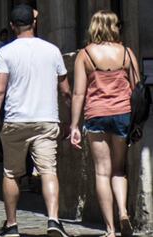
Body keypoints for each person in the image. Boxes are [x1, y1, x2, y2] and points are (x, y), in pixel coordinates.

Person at [0, 5, 71, 236]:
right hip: (46, 119)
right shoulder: (52, 50)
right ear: (34, 23)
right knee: (48, 171)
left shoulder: (5, 52)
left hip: (16, 120)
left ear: (12, 26)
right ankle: (53, 219)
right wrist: (71, 120)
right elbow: (65, 90)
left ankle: (11, 224)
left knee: (12, 173)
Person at [70, 10, 137, 237]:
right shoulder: (126, 53)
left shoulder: (86, 54)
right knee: (119, 169)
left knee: (101, 172)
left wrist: (74, 126)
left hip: (96, 114)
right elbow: (137, 88)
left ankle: (110, 229)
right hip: (123, 114)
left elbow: (79, 93)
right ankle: (124, 212)